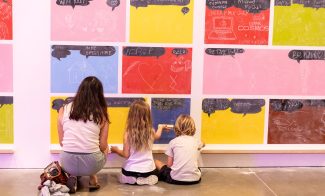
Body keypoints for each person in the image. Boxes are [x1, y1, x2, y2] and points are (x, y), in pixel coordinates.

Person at [57, 76, 109, 192]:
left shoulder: (63, 109)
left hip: (67, 163)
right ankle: (92, 178)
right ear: (99, 94)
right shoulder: (102, 113)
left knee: (73, 148)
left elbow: (61, 142)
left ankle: (73, 176)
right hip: (92, 164)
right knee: (105, 148)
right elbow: (103, 146)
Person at [110, 100, 170, 185]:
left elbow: (126, 155)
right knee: (154, 172)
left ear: (131, 116)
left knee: (121, 175)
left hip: (130, 170)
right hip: (148, 171)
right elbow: (157, 136)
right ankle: (145, 179)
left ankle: (129, 179)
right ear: (148, 116)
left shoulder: (128, 133)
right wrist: (161, 127)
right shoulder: (151, 131)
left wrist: (116, 150)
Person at [155, 114, 203, 185]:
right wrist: (202, 143)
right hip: (195, 179)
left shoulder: (173, 142)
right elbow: (203, 143)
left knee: (156, 162)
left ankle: (156, 176)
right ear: (193, 127)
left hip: (175, 179)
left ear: (177, 127)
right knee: (198, 169)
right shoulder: (196, 141)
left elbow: (169, 165)